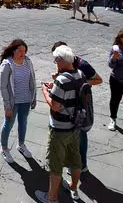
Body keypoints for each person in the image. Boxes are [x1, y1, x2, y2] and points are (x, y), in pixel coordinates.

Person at [34, 45, 83, 203]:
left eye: (56, 60)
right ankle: (73, 186)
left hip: (60, 128)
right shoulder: (80, 74)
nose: (55, 62)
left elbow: (56, 105)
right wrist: (55, 87)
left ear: (62, 60)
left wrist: (45, 92)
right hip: (75, 126)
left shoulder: (62, 80)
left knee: (55, 164)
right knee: (75, 159)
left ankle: (52, 198)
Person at [51, 41, 102, 173]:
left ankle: (82, 164)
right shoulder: (64, 64)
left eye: (57, 59)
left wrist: (78, 82)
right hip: (69, 101)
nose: (57, 63)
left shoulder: (82, 65)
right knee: (71, 132)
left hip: (81, 101)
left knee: (81, 131)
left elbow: (99, 80)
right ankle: (73, 163)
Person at [0, 39, 36, 163]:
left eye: (24, 51)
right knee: (8, 124)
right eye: (20, 50)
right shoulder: (7, 64)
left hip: (25, 99)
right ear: (13, 51)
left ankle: (21, 144)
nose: (22, 53)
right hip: (13, 102)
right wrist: (7, 106)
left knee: (23, 123)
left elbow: (33, 80)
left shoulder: (28, 62)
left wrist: (33, 98)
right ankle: (4, 148)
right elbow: (3, 87)